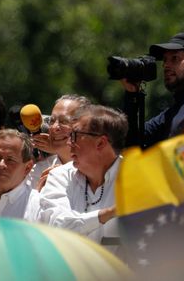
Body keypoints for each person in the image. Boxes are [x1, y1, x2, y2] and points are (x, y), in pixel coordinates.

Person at [39, 105, 126, 249]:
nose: (68, 143)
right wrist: (108, 214)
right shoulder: (60, 176)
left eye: (74, 135)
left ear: (101, 143)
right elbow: (57, 225)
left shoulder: (138, 180)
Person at [122, 33, 184, 147]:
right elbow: (132, 140)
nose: (166, 65)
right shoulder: (171, 113)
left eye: (175, 58)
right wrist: (131, 94)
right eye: (165, 60)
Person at [29, 94, 91, 189]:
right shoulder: (39, 171)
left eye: (64, 121)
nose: (54, 127)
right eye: (52, 121)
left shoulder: (102, 167)